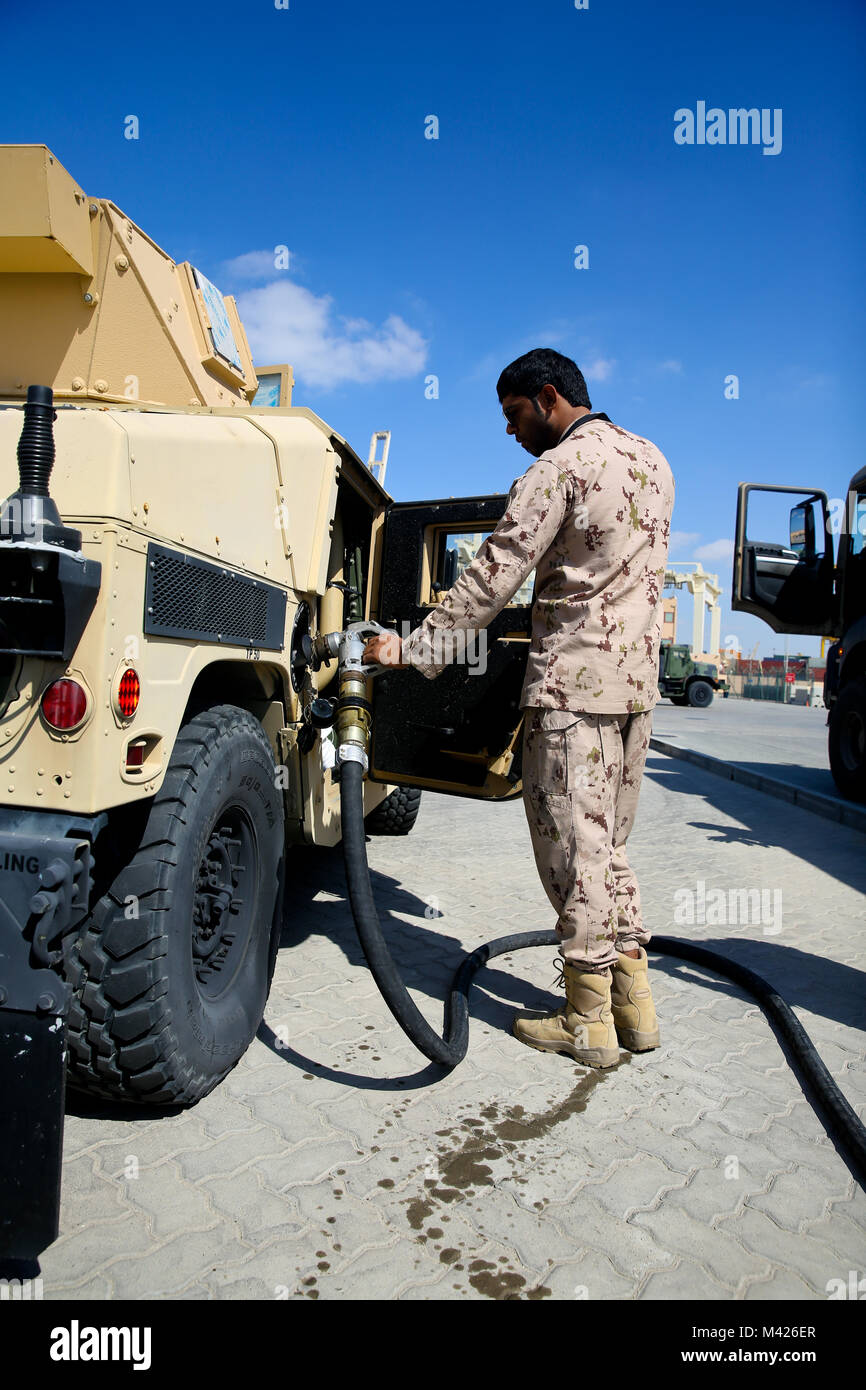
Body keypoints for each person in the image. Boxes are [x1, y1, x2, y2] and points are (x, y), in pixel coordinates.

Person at [363, 349, 675, 1068]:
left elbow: (490, 580)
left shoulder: (555, 471)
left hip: (572, 691)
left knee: (574, 849)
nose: (511, 431)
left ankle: (587, 1020)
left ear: (547, 397)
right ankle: (635, 1004)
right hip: (634, 690)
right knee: (610, 845)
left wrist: (410, 651)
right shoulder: (653, 460)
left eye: (513, 416)